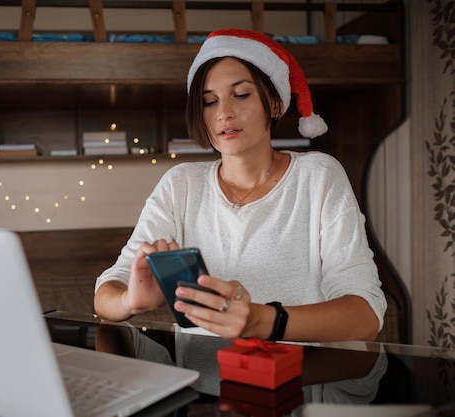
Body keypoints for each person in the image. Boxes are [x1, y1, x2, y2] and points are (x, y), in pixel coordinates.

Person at [93, 28, 386, 343]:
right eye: (209, 101)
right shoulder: (181, 184)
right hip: (203, 383)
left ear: (274, 103)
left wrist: (262, 321)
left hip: (302, 379)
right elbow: (108, 290)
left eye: (242, 94)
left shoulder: (318, 176)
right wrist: (130, 301)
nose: (224, 113)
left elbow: (366, 313)